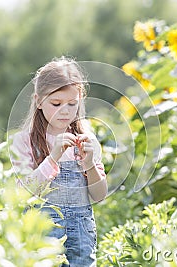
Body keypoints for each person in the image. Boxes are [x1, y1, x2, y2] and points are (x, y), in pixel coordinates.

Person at [10, 56, 108, 267]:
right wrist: (52, 157)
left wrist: (89, 164)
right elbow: (23, 193)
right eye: (56, 103)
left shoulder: (86, 140)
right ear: (38, 101)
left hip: (81, 235)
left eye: (72, 104)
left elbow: (99, 195)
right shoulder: (24, 141)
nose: (65, 110)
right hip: (43, 233)